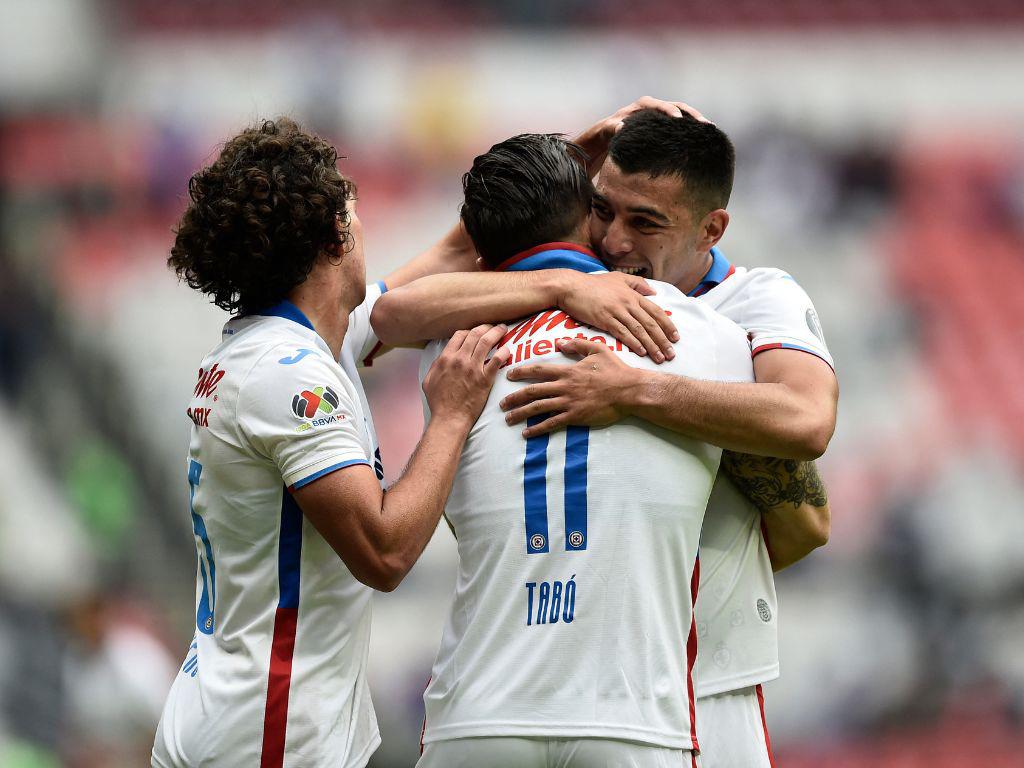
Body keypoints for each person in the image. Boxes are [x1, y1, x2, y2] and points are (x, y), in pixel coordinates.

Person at [372, 101, 838, 767]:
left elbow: (807, 437)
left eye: (644, 222)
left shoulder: (750, 305)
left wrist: (635, 393)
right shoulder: (568, 282)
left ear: (711, 229)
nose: (615, 240)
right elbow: (393, 311)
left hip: (707, 678)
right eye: (603, 209)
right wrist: (561, 218)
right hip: (570, 674)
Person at [150, 118, 510, 768]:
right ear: (335, 235)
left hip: (237, 714)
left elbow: (452, 257)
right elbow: (384, 551)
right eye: (355, 210)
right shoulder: (290, 376)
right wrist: (451, 415)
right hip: (266, 734)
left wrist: (567, 173)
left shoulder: (295, 345)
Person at [414, 133, 753, 768]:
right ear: (584, 215)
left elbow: (388, 310)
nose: (618, 237)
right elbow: (803, 427)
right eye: (603, 210)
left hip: (478, 712)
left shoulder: (449, 352)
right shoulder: (709, 336)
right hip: (631, 718)